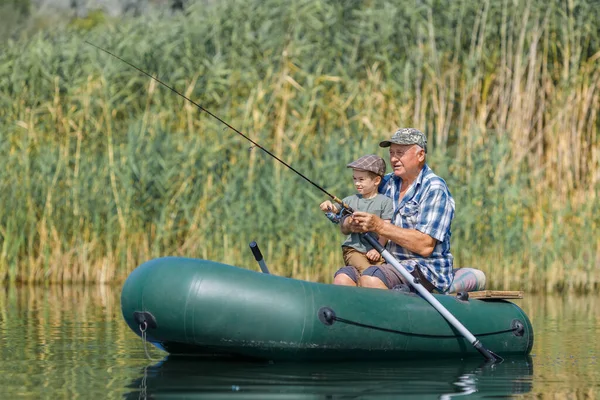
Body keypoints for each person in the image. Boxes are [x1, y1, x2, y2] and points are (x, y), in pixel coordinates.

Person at [322, 128, 457, 293]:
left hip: (426, 269)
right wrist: (348, 222)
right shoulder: (385, 182)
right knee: (342, 278)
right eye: (391, 152)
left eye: (400, 153)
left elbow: (425, 245)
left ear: (420, 155)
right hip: (383, 263)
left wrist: (379, 226)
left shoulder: (434, 188)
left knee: (371, 278)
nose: (393, 158)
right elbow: (344, 222)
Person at [319, 155, 394, 284]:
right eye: (354, 179)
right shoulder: (350, 200)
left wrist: (378, 249)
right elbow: (335, 210)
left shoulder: (385, 202)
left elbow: (385, 229)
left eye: (361, 179)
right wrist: (328, 206)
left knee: (379, 275)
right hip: (353, 250)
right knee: (368, 273)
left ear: (376, 181)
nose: (357, 183)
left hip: (375, 251)